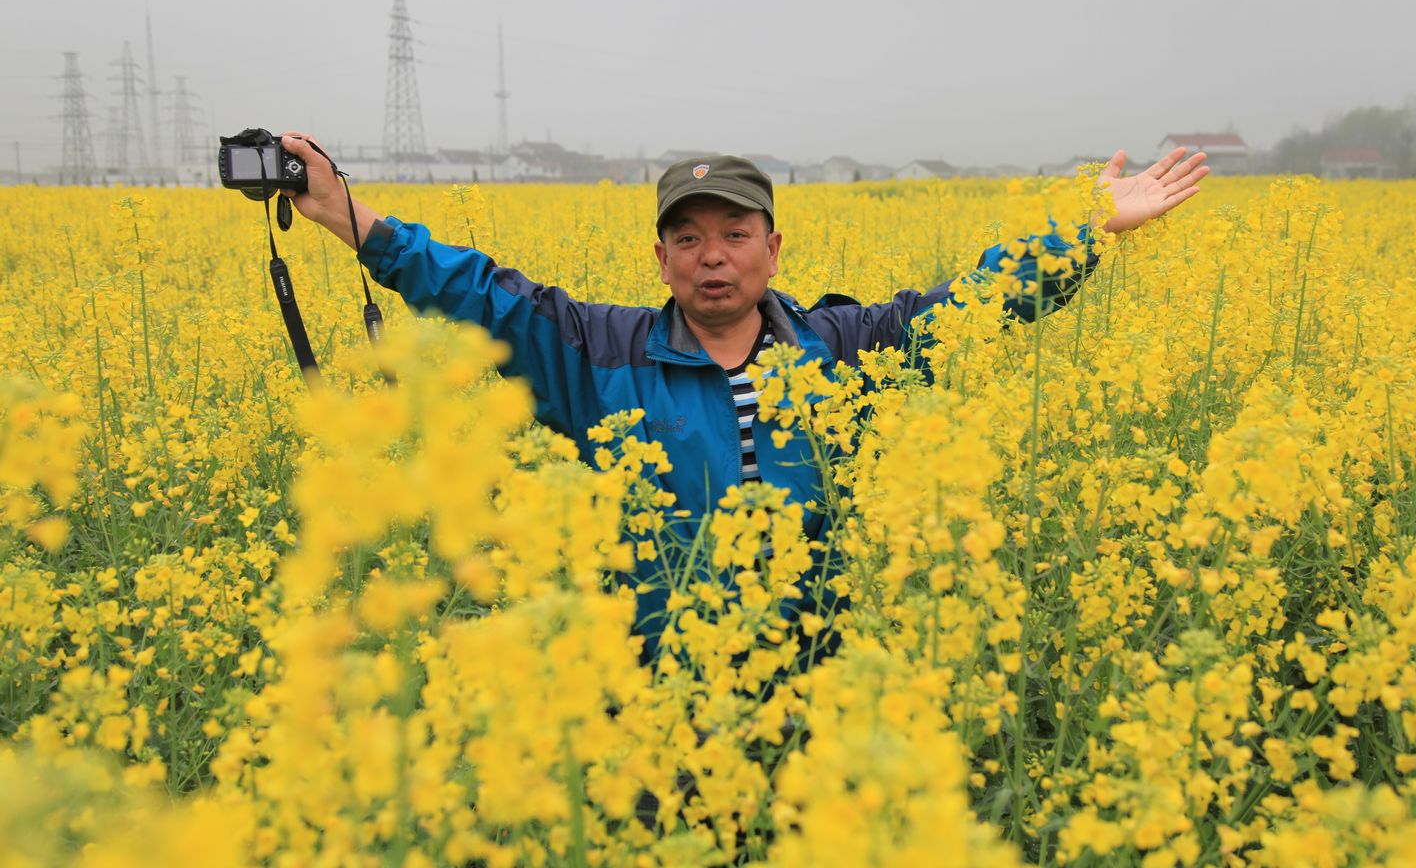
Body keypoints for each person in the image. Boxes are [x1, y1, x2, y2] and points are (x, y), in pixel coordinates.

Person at [279, 135, 1209, 661]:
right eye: (686, 239)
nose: (710, 255)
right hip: (656, 689)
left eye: (733, 233)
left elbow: (969, 305)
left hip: (816, 682)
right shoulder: (596, 353)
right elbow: (476, 290)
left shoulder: (844, 348)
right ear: (661, 259)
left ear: (773, 250)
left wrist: (1088, 228)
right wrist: (341, 215)